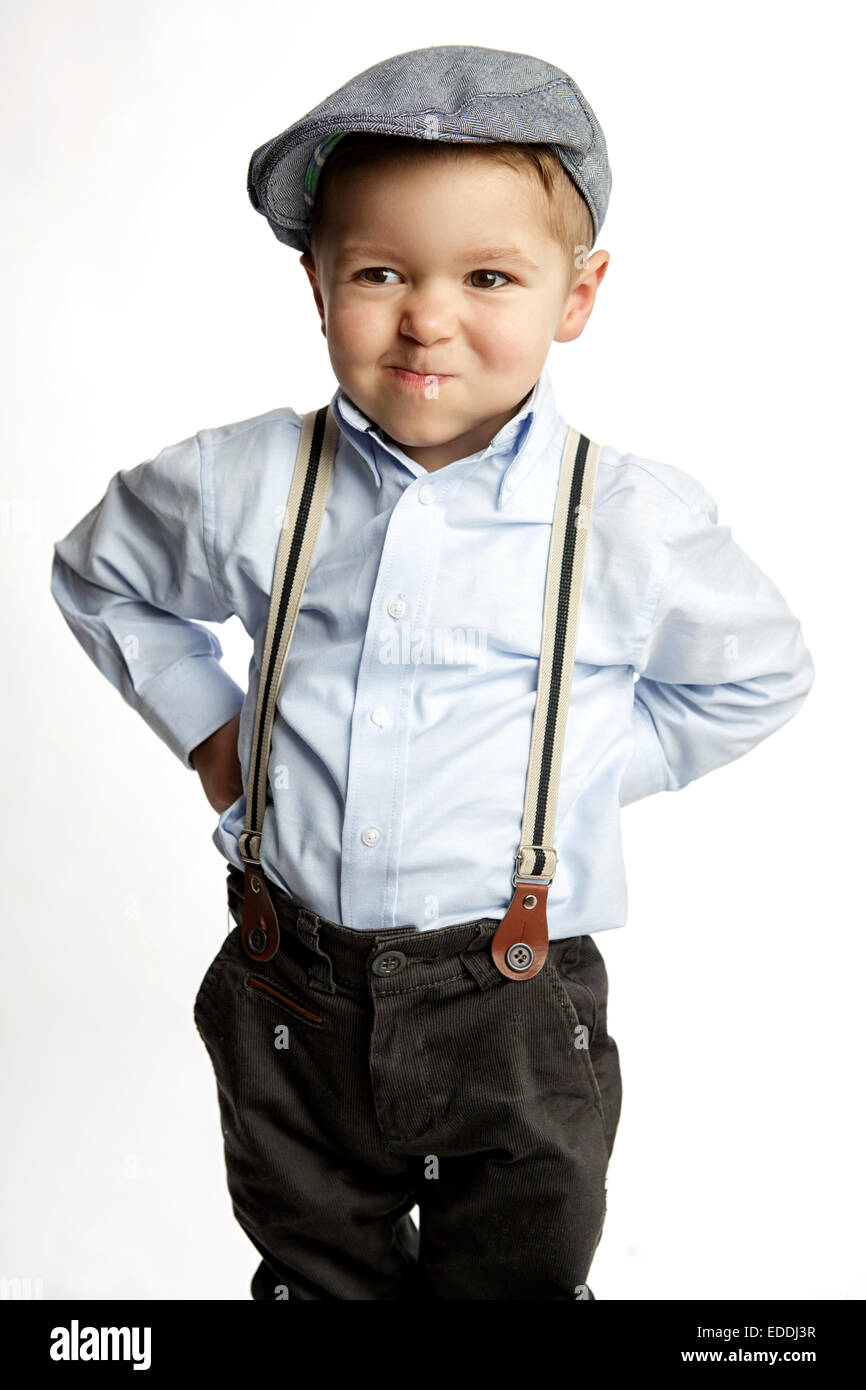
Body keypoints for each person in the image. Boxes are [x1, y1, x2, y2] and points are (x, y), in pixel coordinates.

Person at [50, 45, 816, 1300]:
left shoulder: (624, 519)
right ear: (315, 282)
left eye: (490, 276)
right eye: (381, 272)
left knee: (518, 1277)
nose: (427, 316)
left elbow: (757, 675)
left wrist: (572, 778)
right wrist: (209, 730)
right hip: (288, 979)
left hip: (512, 997)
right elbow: (100, 575)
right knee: (315, 1271)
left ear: (577, 294)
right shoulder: (244, 481)